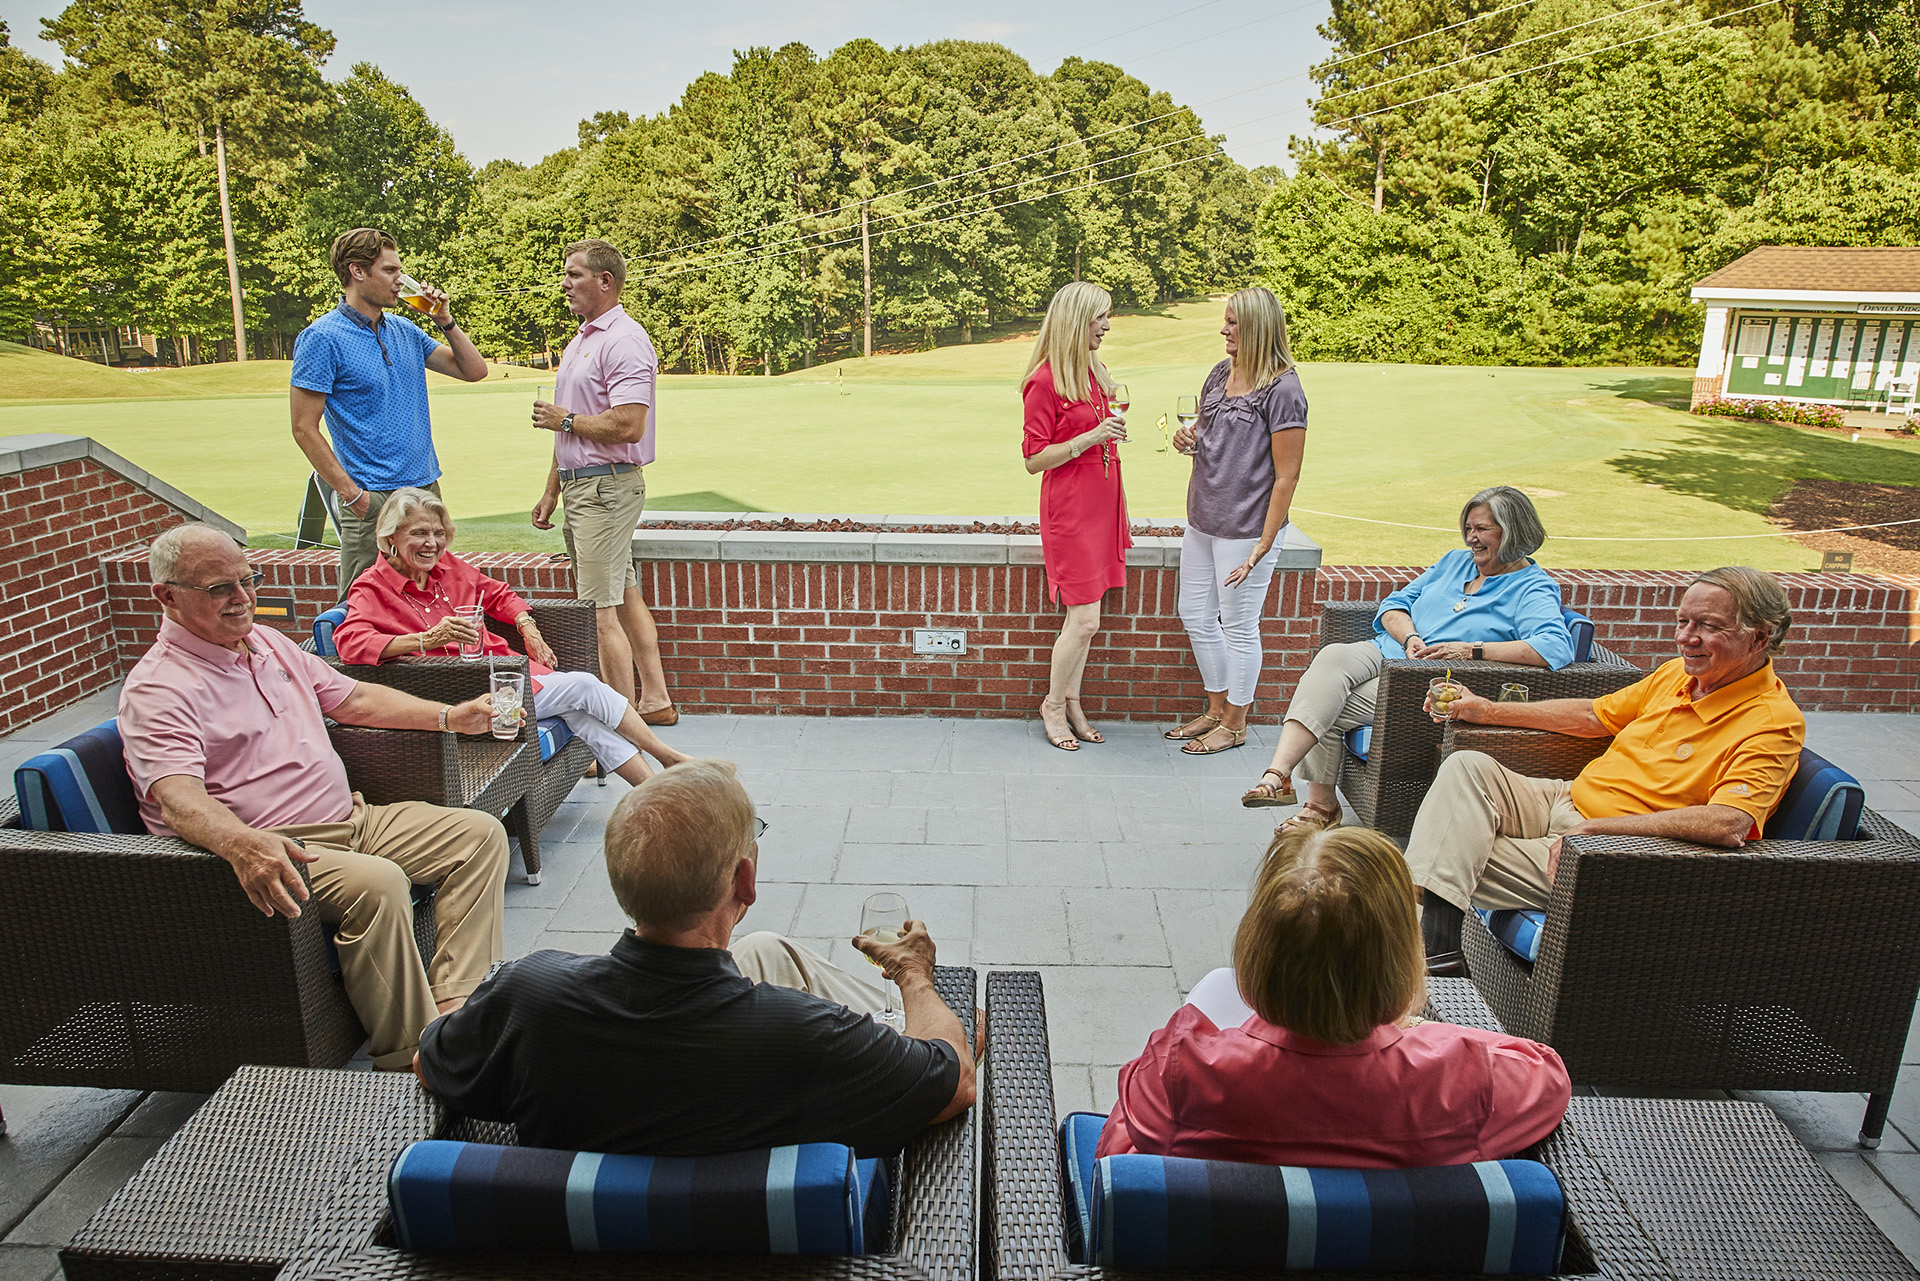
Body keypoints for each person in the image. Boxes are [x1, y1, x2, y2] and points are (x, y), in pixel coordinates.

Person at [415, 759, 976, 1156]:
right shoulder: (805, 1035)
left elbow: (429, 1062)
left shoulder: (527, 996)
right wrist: (914, 976)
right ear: (744, 881)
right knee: (953, 1036)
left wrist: (491, 1013)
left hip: (583, 1236)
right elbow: (957, 1086)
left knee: (762, 951)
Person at [117, 523, 509, 1071]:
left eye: (248, 580)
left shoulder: (266, 642)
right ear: (167, 596)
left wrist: (450, 717)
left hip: (351, 817)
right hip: (276, 846)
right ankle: (415, 1055)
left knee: (478, 835)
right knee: (379, 884)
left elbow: (354, 700)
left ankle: (457, 1005)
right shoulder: (159, 688)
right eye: (219, 588)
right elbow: (177, 800)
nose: (242, 598)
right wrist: (242, 845)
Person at [1405, 565, 1805, 976]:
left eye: (1709, 626)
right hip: (1566, 799)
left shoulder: (1772, 722)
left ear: (1760, 637)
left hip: (1614, 851)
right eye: (1683, 621)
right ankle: (1441, 954)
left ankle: (1432, 956)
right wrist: (1488, 710)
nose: (1687, 638)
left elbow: (1730, 822)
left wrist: (1600, 830)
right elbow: (1594, 716)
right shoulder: (1677, 674)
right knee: (1467, 766)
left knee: (1439, 855)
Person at [1098, 825, 1570, 1167]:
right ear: (1400, 958)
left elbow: (1115, 1156)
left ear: (1258, 947)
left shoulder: (1182, 1072)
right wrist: (1421, 1032)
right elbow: (1547, 1073)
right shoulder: (1463, 1081)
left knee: (1216, 985)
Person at [1240, 486, 1576, 835]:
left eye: (1481, 529)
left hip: (1423, 680)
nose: (1471, 538)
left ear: (1512, 531)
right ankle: (1279, 776)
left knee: (1327, 703)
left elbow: (1554, 646)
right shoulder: (1454, 562)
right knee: (1332, 657)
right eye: (1468, 528)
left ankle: (1313, 802)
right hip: (1391, 648)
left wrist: (1471, 650)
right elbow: (1394, 604)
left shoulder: (1531, 587)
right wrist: (1410, 637)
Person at [332, 488, 688, 785]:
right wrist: (426, 640)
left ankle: (655, 793)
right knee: (583, 687)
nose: (432, 543)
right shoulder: (371, 587)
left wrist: (527, 626)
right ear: (390, 538)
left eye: (439, 533)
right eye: (419, 533)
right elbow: (349, 642)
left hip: (507, 676)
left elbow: (498, 594)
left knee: (582, 716)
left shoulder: (448, 568)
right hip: (465, 697)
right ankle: (666, 755)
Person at [291, 227, 489, 600]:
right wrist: (353, 495)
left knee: (429, 597)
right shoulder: (322, 338)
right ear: (357, 271)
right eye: (390, 270)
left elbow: (474, 371)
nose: (401, 280)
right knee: (362, 605)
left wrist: (444, 320)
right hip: (371, 497)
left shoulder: (405, 330)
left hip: (424, 489)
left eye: (400, 270)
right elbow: (303, 428)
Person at [528, 239, 676, 727]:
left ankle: (620, 728)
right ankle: (654, 701)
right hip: (584, 488)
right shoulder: (580, 341)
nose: (564, 284)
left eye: (574, 275)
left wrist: (566, 420)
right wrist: (552, 489)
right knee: (624, 596)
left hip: (606, 491)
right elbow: (567, 430)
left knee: (597, 611)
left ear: (605, 281)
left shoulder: (624, 340)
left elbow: (629, 424)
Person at [1164, 288, 1308, 757]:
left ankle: (1236, 722)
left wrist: (1263, 544)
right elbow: (1209, 436)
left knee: (1240, 626)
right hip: (1203, 518)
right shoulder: (1219, 373)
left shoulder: (1284, 390)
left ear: (1258, 328)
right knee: (1195, 615)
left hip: (1247, 529)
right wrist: (1188, 438)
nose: (1223, 330)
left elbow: (1287, 476)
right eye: (1225, 321)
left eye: (1233, 323)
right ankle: (1214, 709)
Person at [1022, 281, 1131, 751]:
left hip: (1103, 504)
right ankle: (1052, 705)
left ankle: (1073, 701)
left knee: (1091, 619)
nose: (1106, 326)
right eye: (1099, 317)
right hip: (1070, 510)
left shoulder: (1094, 369)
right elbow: (1034, 459)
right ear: (1075, 321)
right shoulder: (1044, 381)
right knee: (1084, 620)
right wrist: (1091, 437)